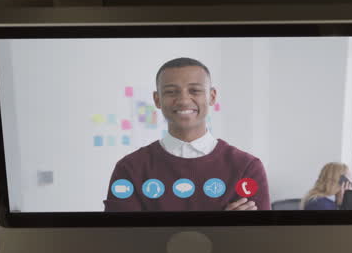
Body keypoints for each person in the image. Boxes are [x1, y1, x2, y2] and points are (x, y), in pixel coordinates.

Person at [104, 57, 271, 213]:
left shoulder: (246, 167)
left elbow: (259, 233)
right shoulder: (130, 168)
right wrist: (223, 225)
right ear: (157, 99)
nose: (183, 100)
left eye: (195, 90)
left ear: (212, 97)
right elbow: (121, 233)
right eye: (171, 92)